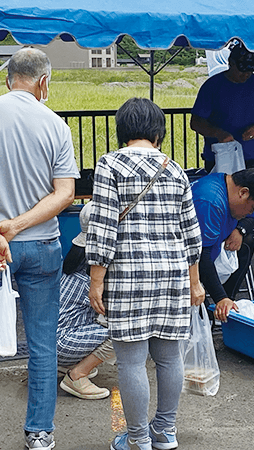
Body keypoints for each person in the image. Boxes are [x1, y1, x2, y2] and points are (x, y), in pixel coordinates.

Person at [86, 97, 205, 450]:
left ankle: (137, 438)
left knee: (132, 361)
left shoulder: (109, 165)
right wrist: (194, 282)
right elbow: (191, 234)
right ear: (158, 132)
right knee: (169, 358)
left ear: (122, 130)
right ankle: (165, 432)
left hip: (128, 276)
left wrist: (96, 281)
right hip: (171, 275)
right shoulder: (175, 169)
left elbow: (102, 227)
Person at [0, 48, 79, 450]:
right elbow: (65, 193)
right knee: (42, 346)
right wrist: (18, 226)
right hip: (42, 247)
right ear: (44, 82)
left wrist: (4, 229)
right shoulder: (56, 125)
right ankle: (39, 433)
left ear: (8, 78)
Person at [190, 41, 254, 283]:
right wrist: (217, 132)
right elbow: (195, 122)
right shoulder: (213, 86)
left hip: (250, 158)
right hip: (219, 160)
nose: (246, 75)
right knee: (223, 207)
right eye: (242, 69)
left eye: (250, 70)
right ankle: (214, 261)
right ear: (230, 63)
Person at [191, 168, 254, 322]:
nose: (249, 212)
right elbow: (200, 256)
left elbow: (251, 219)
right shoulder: (210, 201)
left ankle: (227, 302)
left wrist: (240, 230)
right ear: (243, 193)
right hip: (187, 264)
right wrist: (220, 298)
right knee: (202, 321)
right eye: (251, 208)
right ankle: (219, 306)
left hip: (213, 248)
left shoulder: (230, 188)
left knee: (247, 244)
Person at [57, 201, 115, 400]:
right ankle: (77, 375)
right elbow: (113, 313)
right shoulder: (91, 279)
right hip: (63, 343)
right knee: (123, 330)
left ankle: (66, 365)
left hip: (54, 341)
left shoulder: (75, 265)